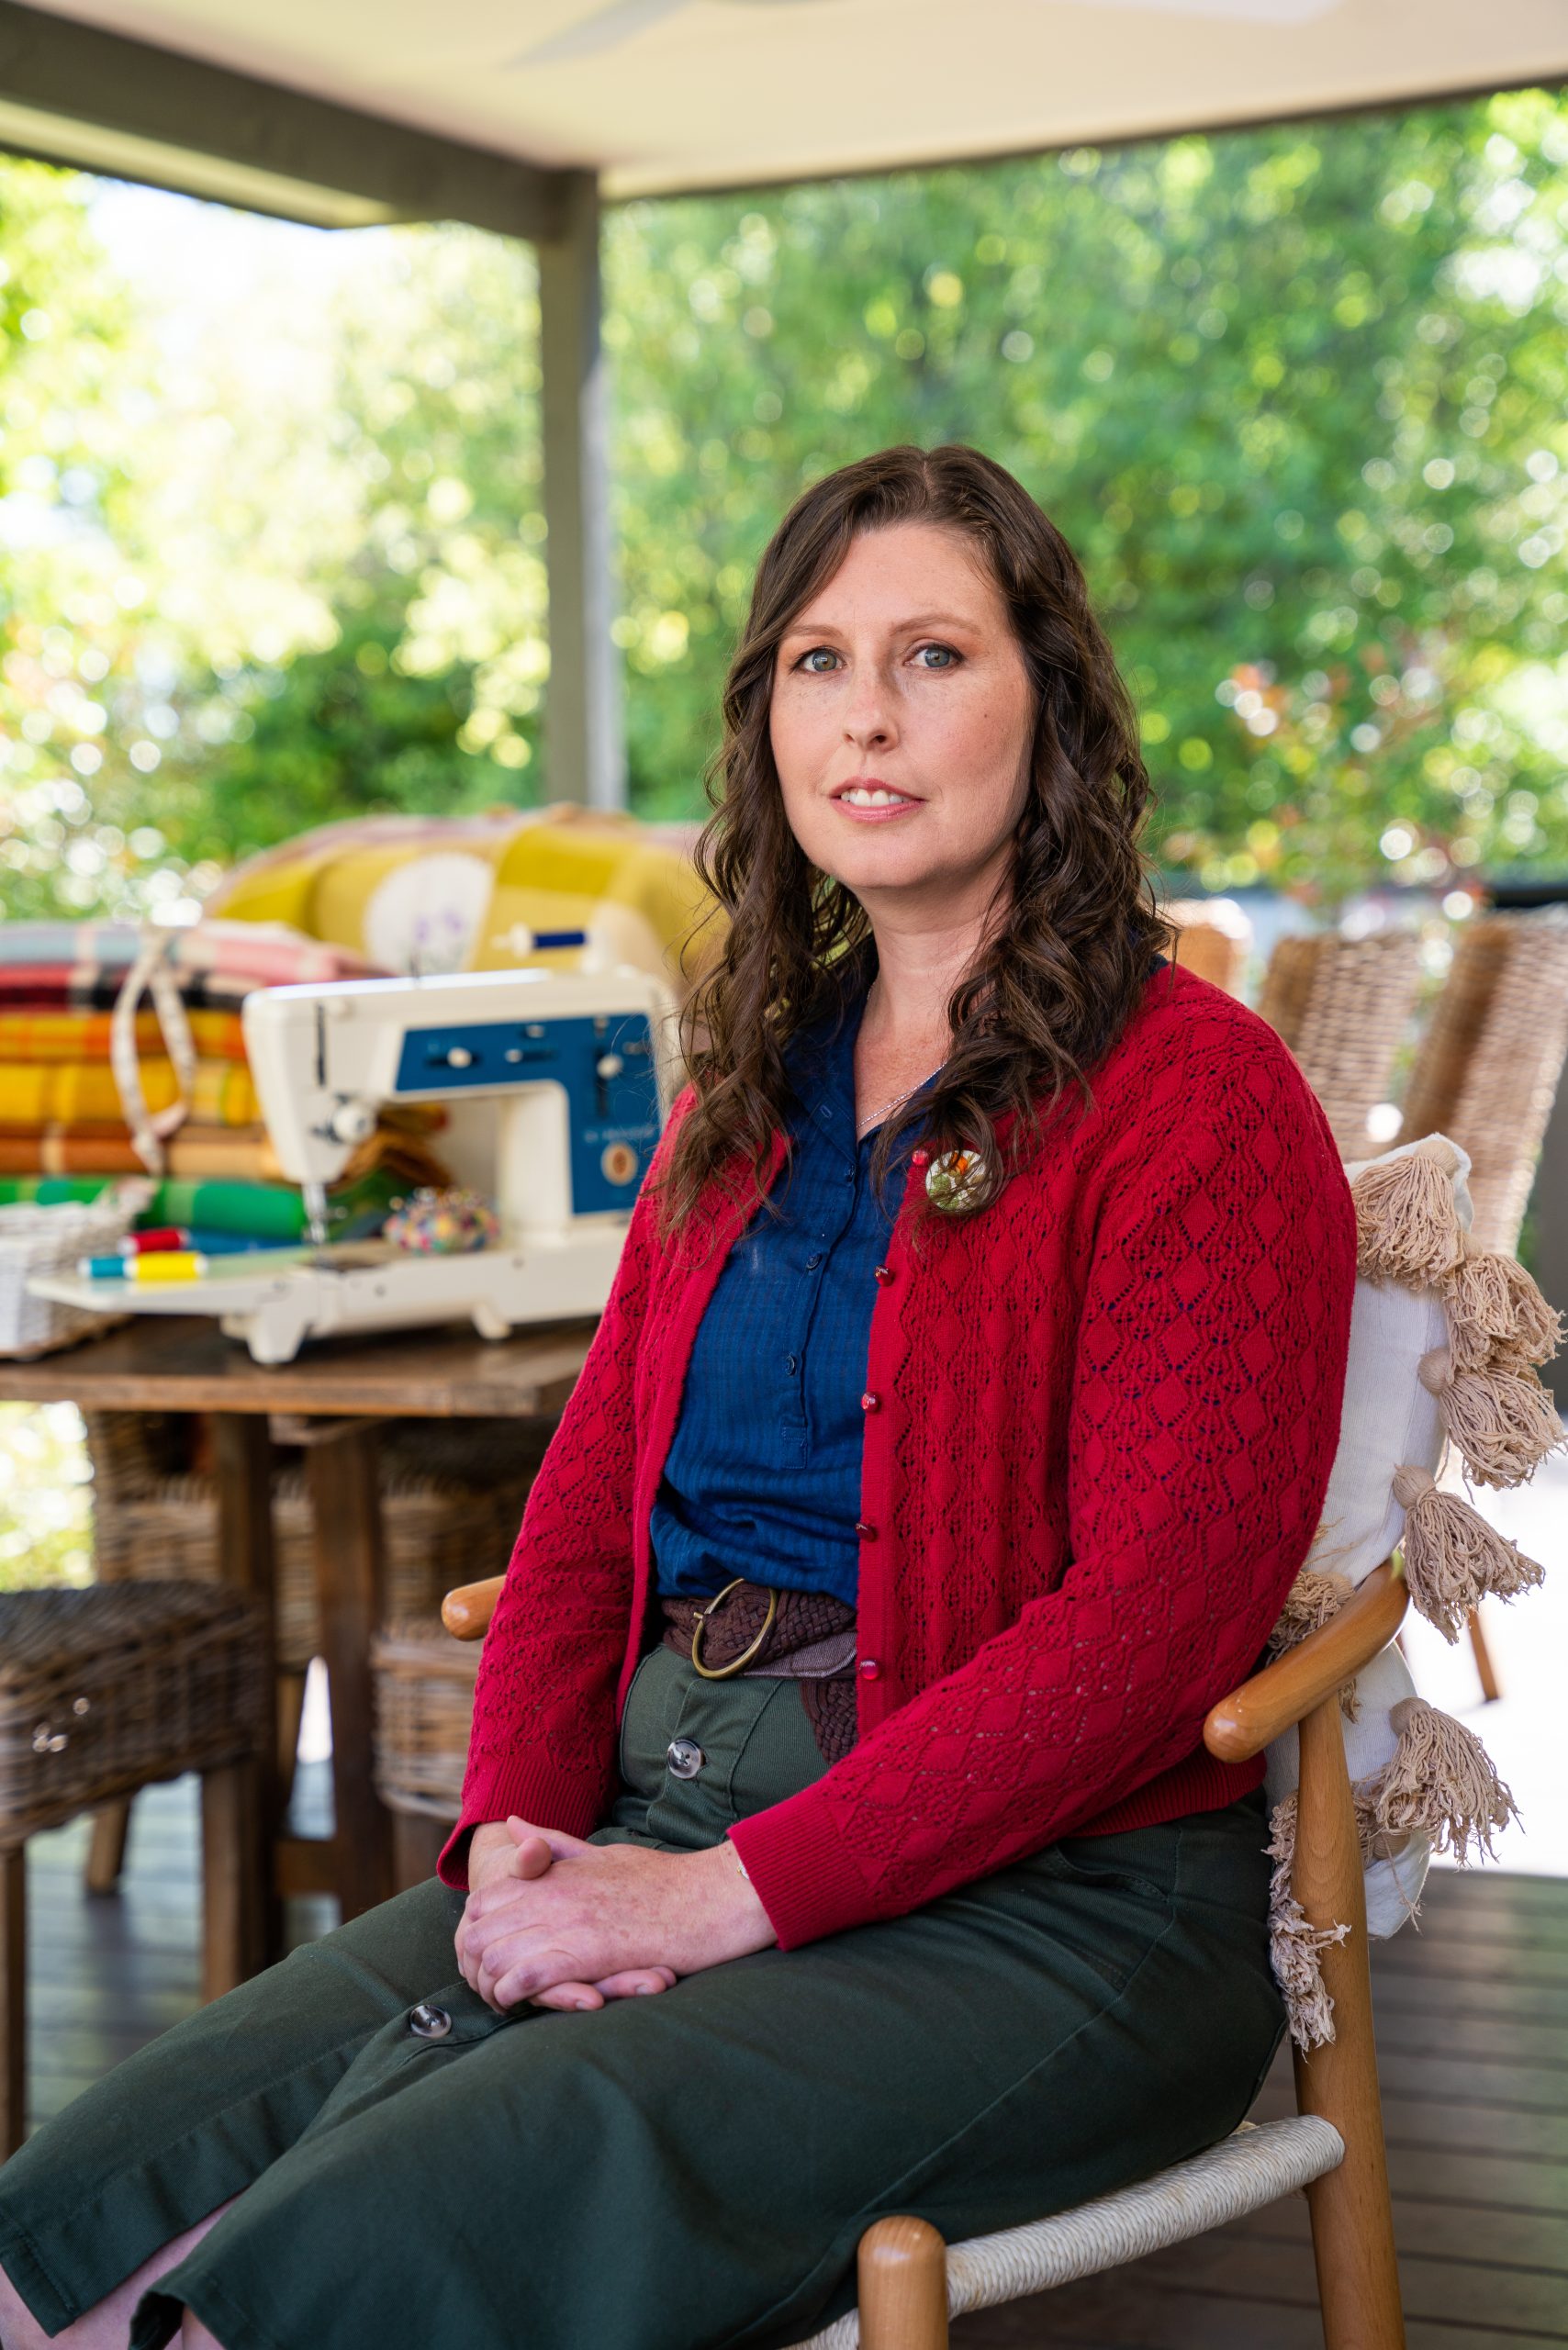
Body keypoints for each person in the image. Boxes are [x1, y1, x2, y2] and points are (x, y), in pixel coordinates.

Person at [0, 443, 1354, 2350]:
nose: (865, 713)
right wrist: (513, 1834)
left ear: (1049, 706)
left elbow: (1156, 1622)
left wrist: (723, 1898)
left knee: (336, 2263)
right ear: (767, 718)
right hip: (651, 1818)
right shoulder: (745, 1093)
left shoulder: (1195, 1100)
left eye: (933, 654)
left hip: (1056, 1908)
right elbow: (577, 1520)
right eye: (816, 660)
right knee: (63, 2233)